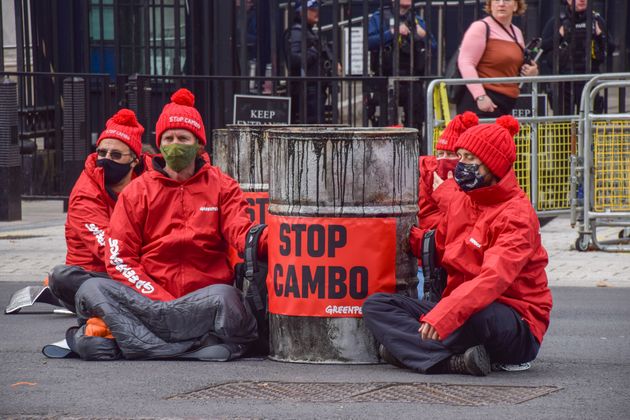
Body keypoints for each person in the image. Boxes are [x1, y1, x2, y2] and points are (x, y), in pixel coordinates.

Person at [57, 88, 267, 362]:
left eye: (183, 138)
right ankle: (193, 346)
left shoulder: (222, 186)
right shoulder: (138, 191)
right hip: (149, 301)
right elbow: (120, 258)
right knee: (91, 289)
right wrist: (157, 298)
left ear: (199, 145)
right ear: (159, 145)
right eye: (168, 138)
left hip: (202, 300)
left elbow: (241, 232)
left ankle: (138, 344)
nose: (174, 144)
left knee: (226, 296)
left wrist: (276, 239)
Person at [363, 115, 553, 376]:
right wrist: (390, 238)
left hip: (513, 319)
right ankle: (452, 361)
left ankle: (408, 351)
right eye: (460, 156)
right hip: (458, 305)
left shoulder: (517, 215)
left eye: (470, 159)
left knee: (479, 314)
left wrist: (446, 314)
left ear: (493, 166)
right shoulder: (463, 202)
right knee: (376, 306)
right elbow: (437, 247)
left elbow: (493, 279)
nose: (459, 165)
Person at [46, 109, 147, 312]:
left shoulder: (149, 179)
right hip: (99, 273)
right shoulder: (85, 192)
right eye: (101, 152)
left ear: (135, 160)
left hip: (138, 269)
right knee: (60, 276)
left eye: (116, 154)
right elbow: (107, 249)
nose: (106, 158)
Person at [415, 111, 478, 300]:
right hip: (427, 261)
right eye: (440, 153)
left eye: (451, 155)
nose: (444, 160)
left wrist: (447, 194)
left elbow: (466, 226)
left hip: (457, 266)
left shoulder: (476, 184)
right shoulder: (426, 174)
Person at [366, 0, 435, 144]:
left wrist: (423, 35)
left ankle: (415, 150)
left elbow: (433, 46)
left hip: (412, 78)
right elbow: (368, 42)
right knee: (385, 123)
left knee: (415, 121)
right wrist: (391, 33)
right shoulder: (379, 17)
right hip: (386, 77)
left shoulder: (417, 19)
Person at [457, 0, 538, 117]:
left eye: (506, 0)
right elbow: (466, 63)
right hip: (483, 103)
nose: (501, 4)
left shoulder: (517, 32)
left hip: (507, 102)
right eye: (496, 0)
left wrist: (531, 72)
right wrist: (480, 96)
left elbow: (513, 66)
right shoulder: (480, 27)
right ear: (490, 5)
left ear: (515, 6)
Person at [540, 0, 612, 115]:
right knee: (562, 127)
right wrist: (559, 35)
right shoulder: (558, 21)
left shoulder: (596, 20)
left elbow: (610, 49)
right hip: (563, 83)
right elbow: (541, 48)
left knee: (588, 125)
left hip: (589, 80)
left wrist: (600, 35)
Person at [285, 0, 334, 123]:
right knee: (313, 127)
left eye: (317, 8)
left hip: (315, 89)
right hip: (307, 91)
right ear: (301, 12)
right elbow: (293, 60)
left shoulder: (308, 31)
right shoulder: (297, 32)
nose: (316, 11)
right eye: (312, 8)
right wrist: (314, 51)